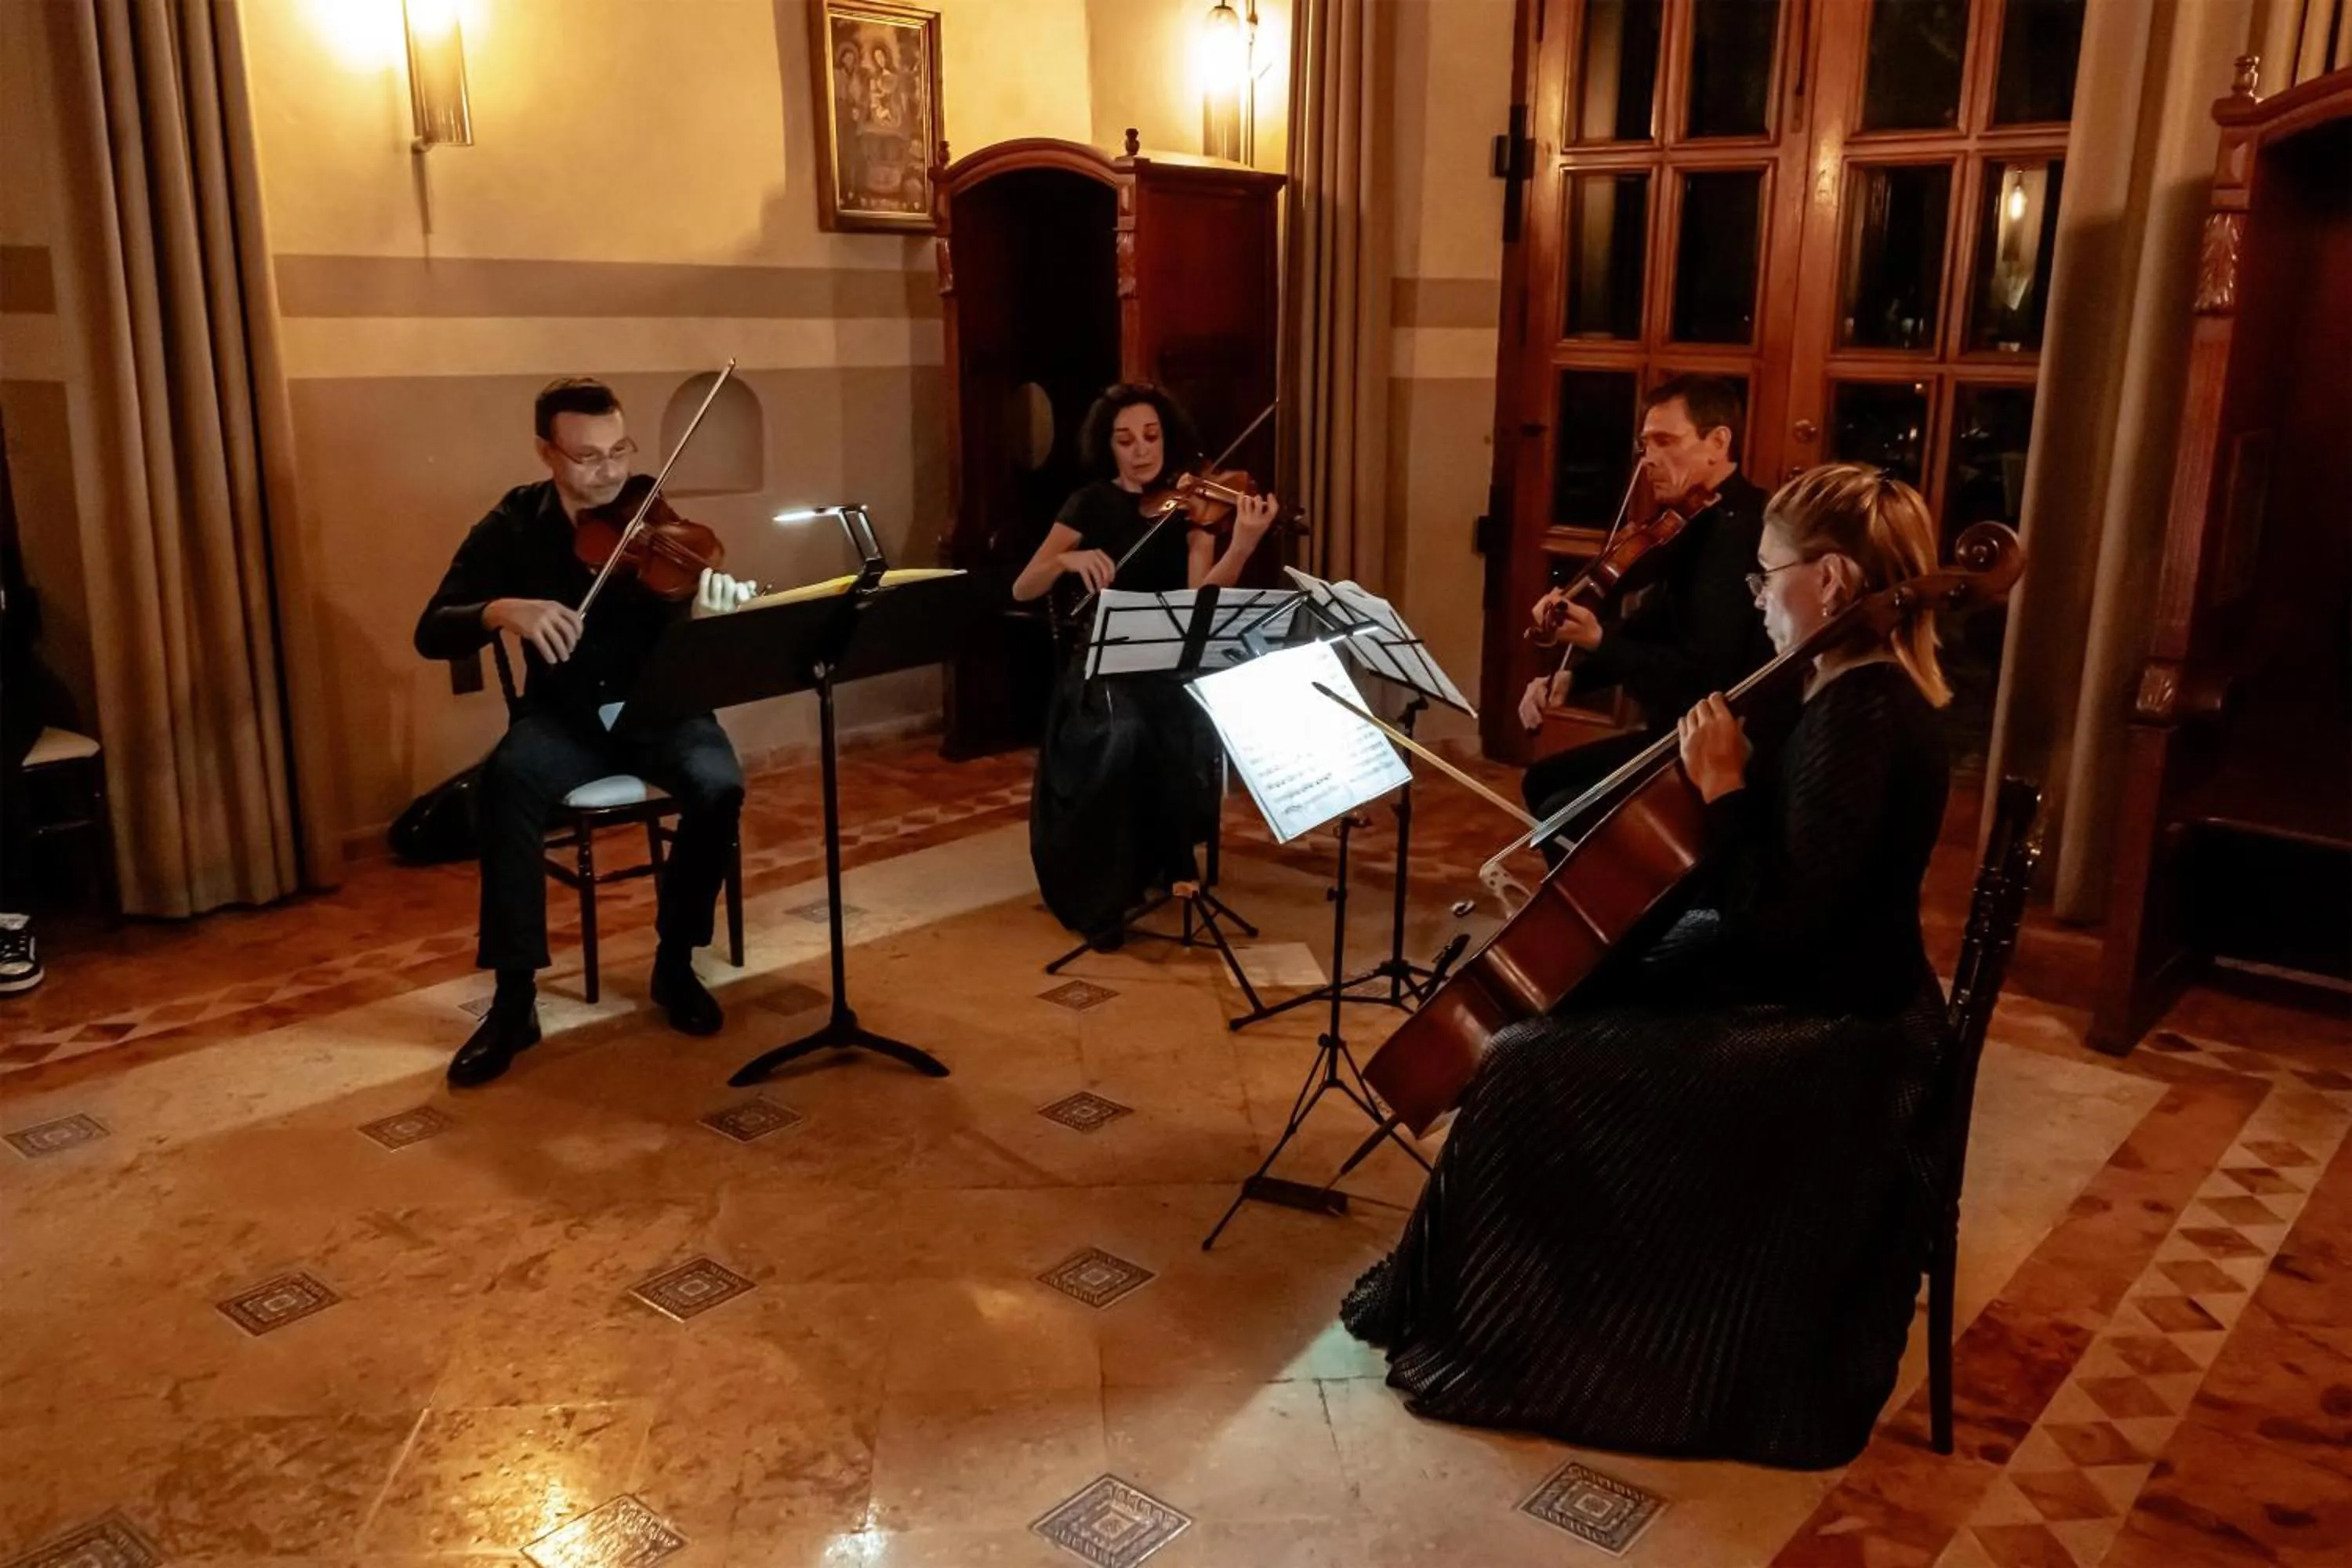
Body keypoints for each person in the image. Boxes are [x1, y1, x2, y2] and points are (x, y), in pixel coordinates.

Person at [1343, 463, 1956, 1470]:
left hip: (1839, 1037)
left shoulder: (1865, 715)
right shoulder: (1842, 686)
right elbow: (1790, 883)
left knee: (1529, 1065)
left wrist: (1723, 792)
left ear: (1834, 581)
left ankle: (1541, 1335)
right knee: (1595, 988)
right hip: (1824, 983)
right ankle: (1520, 1299)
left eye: (1769, 576)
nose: (1757, 599)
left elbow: (1784, 924)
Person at [414, 378, 757, 1087]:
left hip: (662, 709)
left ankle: (674, 963)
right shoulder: (512, 526)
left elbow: (682, 611)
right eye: (587, 456)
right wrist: (500, 610)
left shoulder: (649, 513)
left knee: (719, 786)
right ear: (548, 452)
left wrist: (714, 610)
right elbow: (432, 630)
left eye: (619, 450)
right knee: (507, 782)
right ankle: (514, 1002)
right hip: (564, 718)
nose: (609, 472)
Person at [1011, 382, 1279, 946]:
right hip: (1101, 665)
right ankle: (1100, 890)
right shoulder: (1088, 503)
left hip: (1165, 663)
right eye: (1126, 439)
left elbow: (1200, 598)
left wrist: (1241, 545)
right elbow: (1023, 586)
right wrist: (1065, 560)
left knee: (1187, 718)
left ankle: (1164, 853)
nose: (1141, 451)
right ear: (1108, 446)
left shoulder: (1192, 511)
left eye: (1151, 437)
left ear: (1166, 439)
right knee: (1124, 730)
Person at [1516, 375, 1777, 844]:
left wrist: (1599, 640)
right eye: (1645, 444)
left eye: (1665, 442)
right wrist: (1575, 678)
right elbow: (1651, 624)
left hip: (1714, 745)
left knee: (1563, 810)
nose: (1648, 459)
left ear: (1718, 442)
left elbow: (1702, 681)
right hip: (1673, 731)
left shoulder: (1741, 534)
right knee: (1543, 782)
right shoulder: (1690, 523)